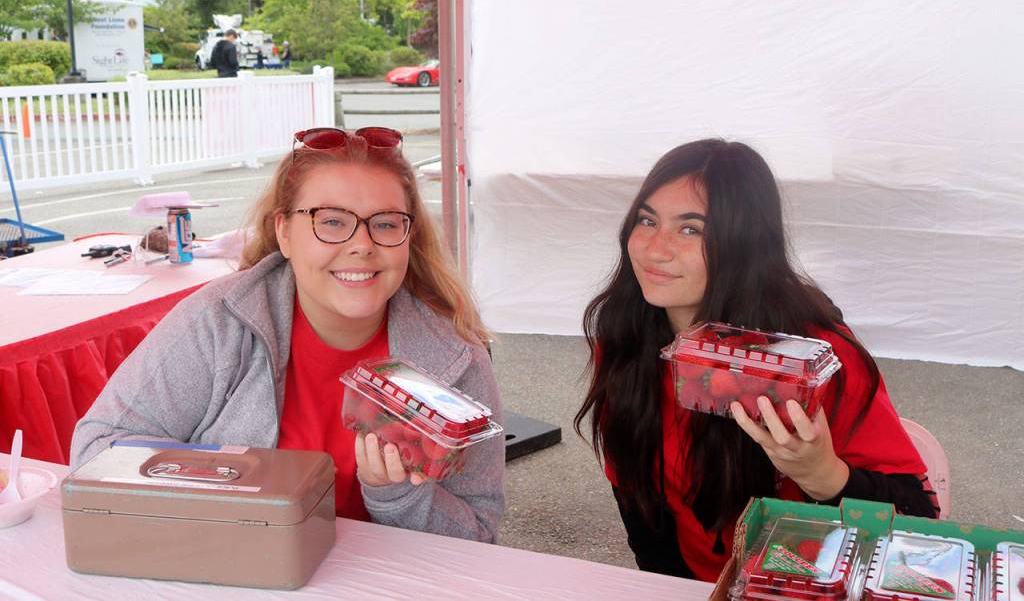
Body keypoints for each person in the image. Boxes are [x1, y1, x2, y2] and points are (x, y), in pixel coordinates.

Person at [71, 127, 505, 543]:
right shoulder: (220, 322)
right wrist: (234, 482)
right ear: (284, 232)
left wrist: (400, 494)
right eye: (332, 222)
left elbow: (480, 531)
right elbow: (98, 450)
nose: (363, 244)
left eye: (386, 224)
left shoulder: (452, 356)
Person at [575, 139, 938, 581]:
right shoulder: (624, 340)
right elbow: (636, 500)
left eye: (692, 229)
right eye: (647, 220)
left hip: (814, 585)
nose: (655, 249)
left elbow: (919, 519)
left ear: (744, 242)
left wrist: (823, 475)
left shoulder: (816, 358)